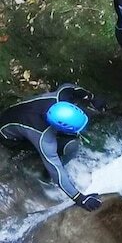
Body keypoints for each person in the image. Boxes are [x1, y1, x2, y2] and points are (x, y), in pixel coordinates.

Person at [0, 84, 106, 212]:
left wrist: (92, 98)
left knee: (70, 140)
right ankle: (44, 175)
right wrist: (79, 198)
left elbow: (73, 88)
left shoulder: (61, 94)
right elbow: (56, 170)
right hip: (9, 138)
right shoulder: (44, 138)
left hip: (12, 114)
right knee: (71, 145)